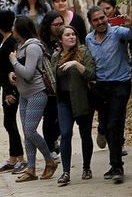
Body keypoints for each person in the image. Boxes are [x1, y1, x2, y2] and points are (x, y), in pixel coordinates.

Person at [86, 6, 132, 183]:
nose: (100, 22)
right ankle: (114, 164)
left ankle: (118, 167)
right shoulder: (88, 39)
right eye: (96, 20)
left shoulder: (118, 32)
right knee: (107, 125)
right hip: (101, 87)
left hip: (120, 84)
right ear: (91, 22)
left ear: (107, 17)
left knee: (114, 123)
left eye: (102, 18)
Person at [9, 15, 58, 182]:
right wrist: (13, 75)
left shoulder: (32, 47)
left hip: (37, 93)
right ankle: (31, 169)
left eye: (14, 26)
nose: (12, 29)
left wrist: (14, 62)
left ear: (20, 29)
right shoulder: (20, 46)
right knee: (27, 133)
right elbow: (22, 72)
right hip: (24, 94)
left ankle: (50, 160)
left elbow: (29, 74)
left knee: (30, 130)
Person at [51, 25, 96, 186]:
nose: (71, 37)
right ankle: (66, 172)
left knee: (85, 134)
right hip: (63, 102)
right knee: (65, 134)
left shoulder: (83, 52)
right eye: (67, 35)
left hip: (82, 101)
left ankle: (86, 167)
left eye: (73, 34)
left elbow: (91, 74)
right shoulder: (56, 56)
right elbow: (53, 78)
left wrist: (76, 64)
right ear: (60, 39)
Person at [0, 10, 25, 175]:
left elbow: (12, 69)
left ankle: (21, 159)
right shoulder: (4, 40)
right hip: (5, 86)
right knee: (8, 122)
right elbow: (2, 69)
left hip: (12, 88)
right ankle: (12, 159)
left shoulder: (11, 42)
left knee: (10, 122)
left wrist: (10, 91)